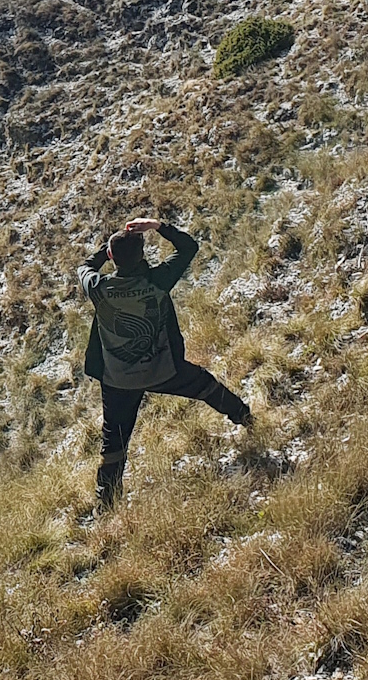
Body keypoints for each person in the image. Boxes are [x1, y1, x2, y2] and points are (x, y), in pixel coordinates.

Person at [80, 217, 253, 509]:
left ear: (113, 259)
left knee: (114, 442)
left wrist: (105, 251)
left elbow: (84, 267)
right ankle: (246, 418)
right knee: (206, 386)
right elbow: (189, 247)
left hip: (118, 379)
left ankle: (106, 502)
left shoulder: (98, 288)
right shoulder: (158, 281)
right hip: (162, 368)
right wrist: (159, 226)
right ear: (142, 256)